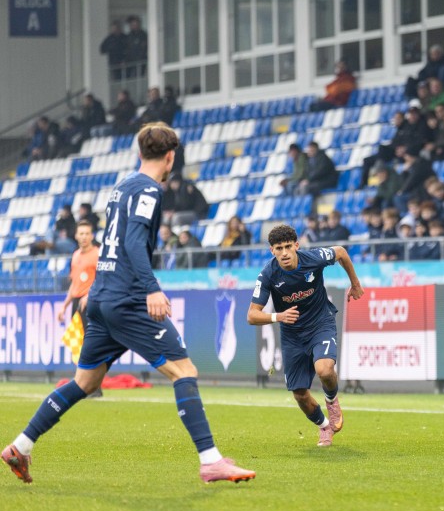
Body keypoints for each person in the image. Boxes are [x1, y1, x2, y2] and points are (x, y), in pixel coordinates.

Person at [2, 123, 255, 484]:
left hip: (102, 300)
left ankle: (20, 446)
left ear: (140, 154)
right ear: (170, 157)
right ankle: (211, 460)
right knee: (185, 372)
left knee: (85, 382)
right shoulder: (151, 190)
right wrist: (151, 289)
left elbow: (115, 242)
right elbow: (134, 244)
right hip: (128, 299)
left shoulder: (122, 186)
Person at [247, 225, 364, 446]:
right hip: (292, 335)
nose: (284, 253)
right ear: (272, 250)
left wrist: (355, 284)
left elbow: (340, 252)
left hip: (321, 323)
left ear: (296, 246)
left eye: (288, 247)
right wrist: (278, 317)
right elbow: (252, 315)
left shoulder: (313, 259)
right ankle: (324, 427)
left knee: (324, 369)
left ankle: (332, 401)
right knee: (300, 394)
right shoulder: (268, 275)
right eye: (279, 248)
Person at [55, 221, 100, 387]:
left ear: (92, 236)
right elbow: (74, 283)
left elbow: (102, 279)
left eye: (87, 233)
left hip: (92, 302)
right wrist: (64, 306)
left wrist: (90, 294)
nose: (84, 237)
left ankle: (95, 386)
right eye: (81, 234)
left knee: (92, 343)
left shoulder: (97, 254)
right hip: (77, 303)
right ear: (76, 236)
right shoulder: (75, 256)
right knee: (80, 343)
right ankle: (84, 383)